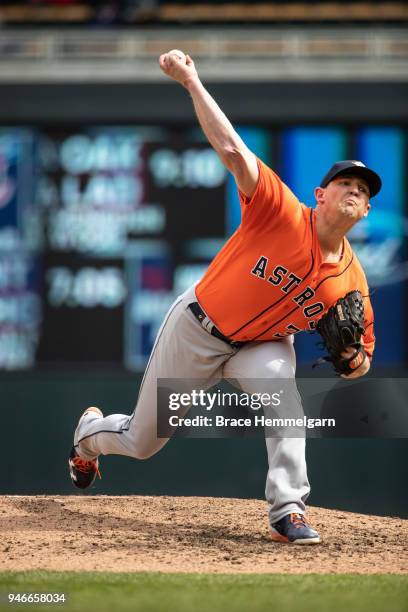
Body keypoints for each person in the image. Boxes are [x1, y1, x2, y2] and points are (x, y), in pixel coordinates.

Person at [68, 51, 381, 545]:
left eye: (363, 190)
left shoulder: (352, 283)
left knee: (287, 405)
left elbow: (361, 360)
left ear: (364, 211)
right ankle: (88, 435)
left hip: (264, 346)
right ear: (320, 194)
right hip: (198, 326)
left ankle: (288, 509)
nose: (354, 192)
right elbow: (234, 150)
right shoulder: (280, 210)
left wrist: (351, 358)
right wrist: (191, 80)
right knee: (141, 441)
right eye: (345, 182)